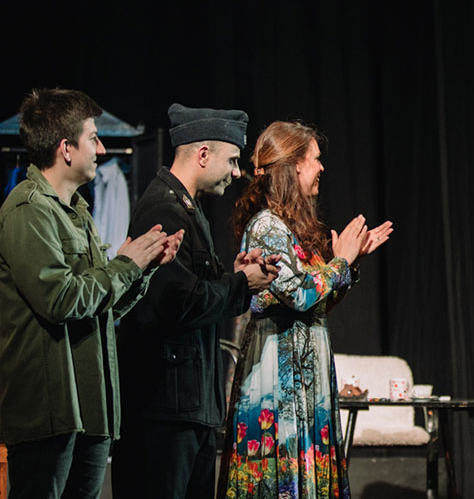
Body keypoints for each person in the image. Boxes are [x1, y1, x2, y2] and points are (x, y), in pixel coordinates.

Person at [0, 88, 182, 499]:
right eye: (93, 138)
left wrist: (143, 268)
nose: (101, 149)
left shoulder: (78, 211)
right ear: (66, 148)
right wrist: (125, 265)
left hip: (91, 408)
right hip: (49, 412)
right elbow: (60, 299)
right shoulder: (28, 210)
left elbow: (102, 306)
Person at [112, 104, 280, 499]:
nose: (236, 173)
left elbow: (189, 290)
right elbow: (176, 301)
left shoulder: (186, 207)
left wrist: (234, 277)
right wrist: (240, 284)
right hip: (165, 412)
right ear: (203, 154)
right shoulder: (163, 208)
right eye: (233, 160)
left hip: (186, 407)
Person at [218, 121, 392, 499]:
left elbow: (318, 303)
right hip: (279, 377)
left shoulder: (291, 228)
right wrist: (340, 263)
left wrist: (351, 264)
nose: (322, 167)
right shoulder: (267, 227)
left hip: (304, 375)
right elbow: (298, 294)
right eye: (315, 158)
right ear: (295, 165)